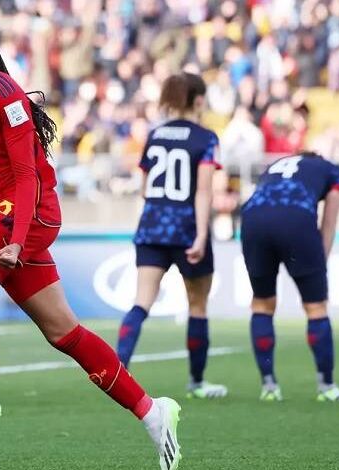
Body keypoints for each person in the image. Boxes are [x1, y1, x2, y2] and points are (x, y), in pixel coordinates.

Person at [0, 11, 181, 470]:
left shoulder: (3, 94)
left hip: (29, 214)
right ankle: (152, 411)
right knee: (65, 333)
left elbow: (26, 175)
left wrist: (18, 240)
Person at [115, 72, 228, 400]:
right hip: (186, 228)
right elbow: (204, 191)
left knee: (141, 302)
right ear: (198, 99)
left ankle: (118, 372)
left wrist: (148, 221)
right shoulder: (206, 137)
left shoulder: (155, 134)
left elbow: (146, 187)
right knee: (197, 305)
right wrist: (202, 235)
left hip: (152, 226)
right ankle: (197, 382)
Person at [241, 151, 339, 402]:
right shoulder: (330, 168)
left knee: (262, 303)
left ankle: (269, 386)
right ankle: (327, 387)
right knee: (315, 308)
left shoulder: (275, 165)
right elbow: (329, 222)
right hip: (296, 218)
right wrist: (319, 264)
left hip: (252, 218)